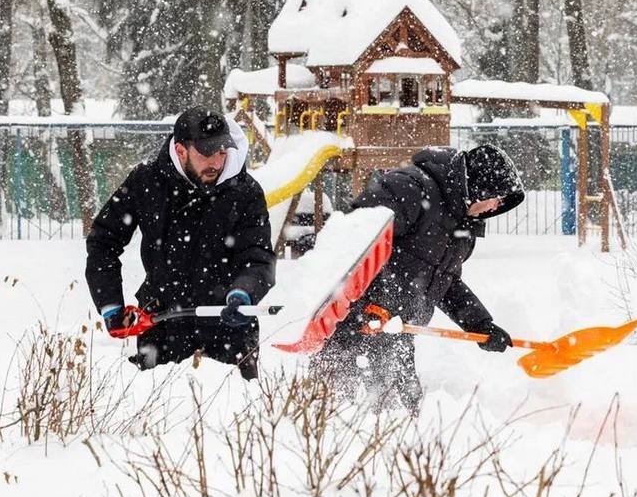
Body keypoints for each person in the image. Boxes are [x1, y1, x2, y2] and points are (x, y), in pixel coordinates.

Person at [311, 144, 525, 412]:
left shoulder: (462, 226)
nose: (495, 206)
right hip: (351, 327)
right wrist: (369, 305)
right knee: (335, 413)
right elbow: (354, 239)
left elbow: (446, 282)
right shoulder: (410, 188)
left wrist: (480, 324)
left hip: (397, 333)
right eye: (496, 198)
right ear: (479, 187)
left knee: (404, 415)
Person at [85, 106, 275, 379]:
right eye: (206, 153)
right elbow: (103, 242)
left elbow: (258, 257)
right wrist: (110, 304)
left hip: (229, 327)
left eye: (222, 152)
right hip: (162, 326)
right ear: (181, 150)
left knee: (237, 403)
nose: (216, 161)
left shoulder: (245, 192)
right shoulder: (146, 182)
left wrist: (244, 292)